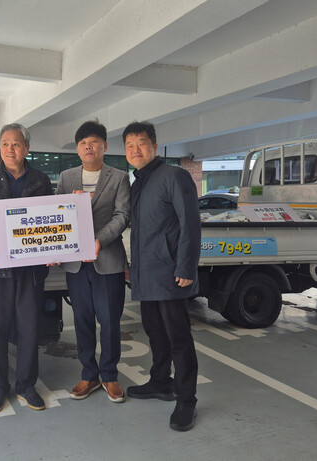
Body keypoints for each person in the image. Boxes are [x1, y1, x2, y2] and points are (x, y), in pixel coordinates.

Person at [0, 123, 53, 413]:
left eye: (15, 144)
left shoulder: (40, 180)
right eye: (4, 144)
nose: (9, 149)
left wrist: (52, 248)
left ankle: (26, 385)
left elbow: (49, 220)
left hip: (31, 270)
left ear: (26, 148)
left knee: (29, 328)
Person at [122, 121, 201, 432]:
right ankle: (160, 382)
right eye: (129, 146)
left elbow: (190, 223)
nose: (135, 150)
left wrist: (186, 267)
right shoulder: (137, 182)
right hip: (145, 273)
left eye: (141, 143)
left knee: (178, 337)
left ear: (154, 146)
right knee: (154, 331)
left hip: (169, 273)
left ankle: (187, 399)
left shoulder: (174, 176)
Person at [55, 120, 130, 403]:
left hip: (106, 260)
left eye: (94, 142)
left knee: (109, 320)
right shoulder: (67, 177)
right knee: (82, 319)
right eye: (83, 143)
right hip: (76, 264)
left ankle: (110, 375)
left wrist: (98, 240)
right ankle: (89, 374)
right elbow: (58, 216)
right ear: (78, 149)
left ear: (104, 146)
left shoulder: (119, 177)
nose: (89, 147)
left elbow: (122, 215)